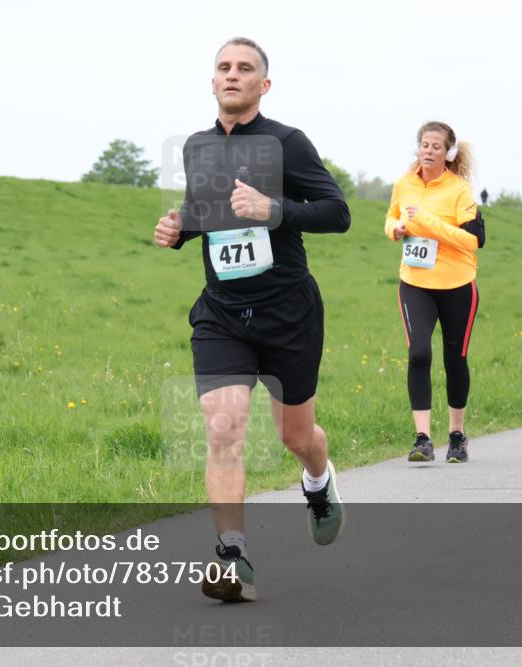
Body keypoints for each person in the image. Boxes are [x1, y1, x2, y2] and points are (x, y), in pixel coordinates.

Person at [154, 37, 351, 602]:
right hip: (222, 313)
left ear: (264, 85)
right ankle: (233, 557)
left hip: (289, 313)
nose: (232, 75)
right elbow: (209, 213)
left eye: (245, 69)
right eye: (223, 68)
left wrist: (276, 211)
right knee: (223, 427)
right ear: (211, 82)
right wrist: (180, 231)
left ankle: (318, 481)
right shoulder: (197, 146)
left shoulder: (288, 143)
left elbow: (338, 213)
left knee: (296, 435)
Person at [384, 121, 485, 464]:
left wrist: (428, 222)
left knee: (455, 359)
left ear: (448, 153)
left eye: (436, 147)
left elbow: (473, 241)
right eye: (424, 145)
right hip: (415, 283)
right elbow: (391, 216)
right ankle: (422, 439)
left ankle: (456, 436)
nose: (428, 151)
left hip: (457, 284)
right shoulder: (404, 183)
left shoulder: (460, 190)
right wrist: (394, 229)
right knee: (418, 354)